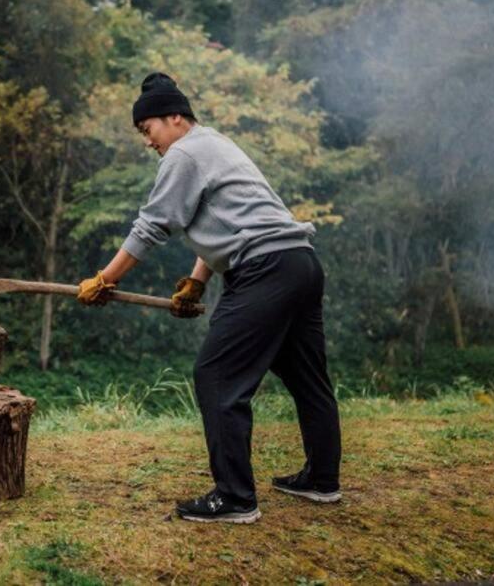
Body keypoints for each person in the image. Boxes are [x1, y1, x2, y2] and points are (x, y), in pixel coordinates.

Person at [77, 72, 342, 524]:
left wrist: (105, 278)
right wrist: (197, 281)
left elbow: (152, 226)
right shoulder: (216, 145)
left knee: (216, 375)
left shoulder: (183, 153)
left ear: (175, 117)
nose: (148, 142)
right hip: (298, 263)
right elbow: (226, 220)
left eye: (148, 129)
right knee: (306, 377)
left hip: (265, 270)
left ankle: (236, 497)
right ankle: (321, 480)